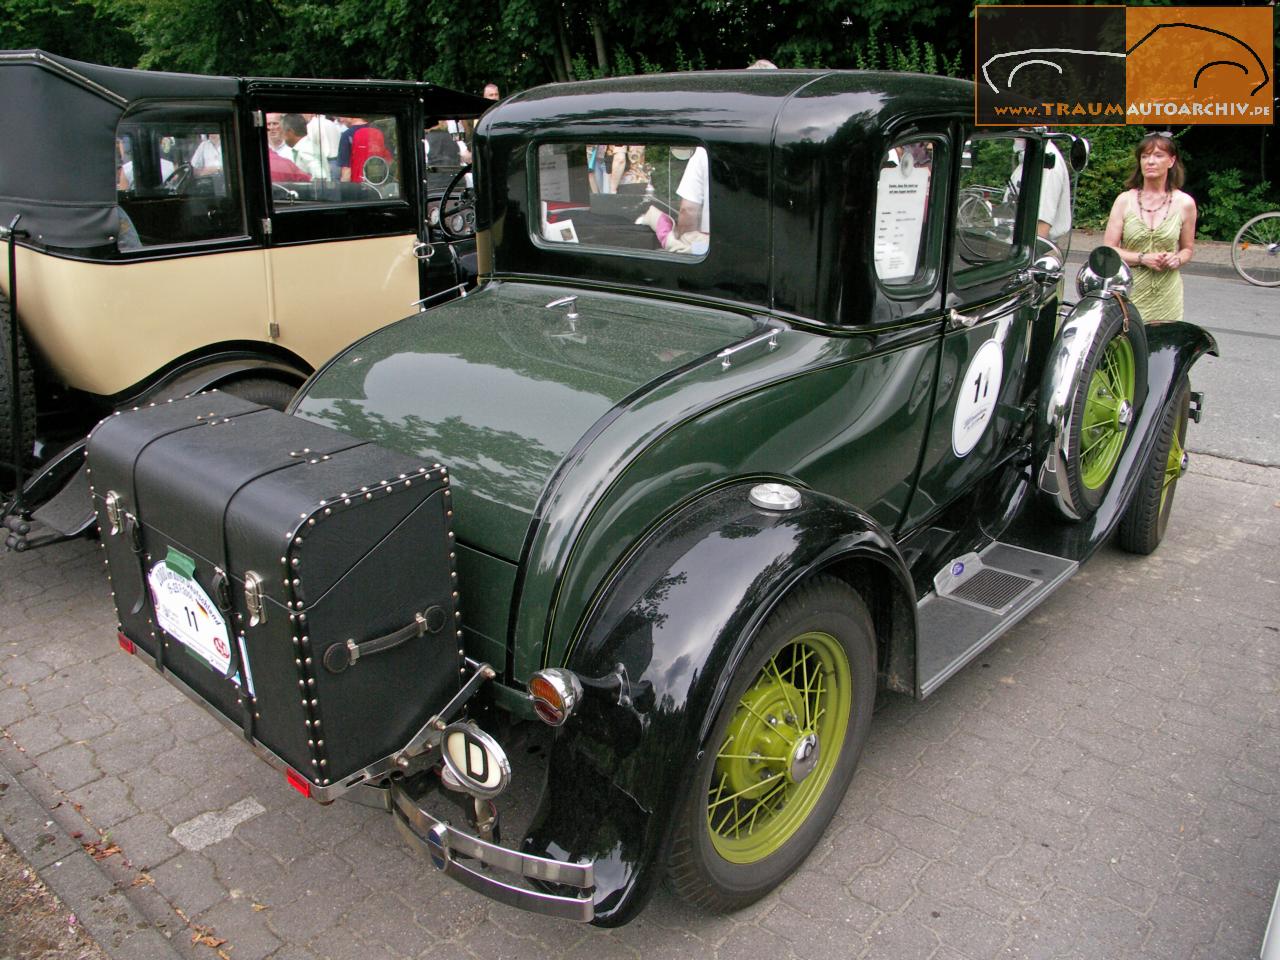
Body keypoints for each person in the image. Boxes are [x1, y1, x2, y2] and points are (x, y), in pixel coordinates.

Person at [1103, 131, 1197, 323]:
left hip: (1167, 295)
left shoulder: (1185, 203)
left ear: (1171, 161)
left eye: (1158, 155)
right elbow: (1108, 250)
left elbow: (1187, 249)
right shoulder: (1124, 200)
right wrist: (1143, 258)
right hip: (1129, 291)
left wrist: (1177, 259)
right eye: (1145, 156)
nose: (1150, 162)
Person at [1012, 139, 1071, 244]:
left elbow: (1041, 227)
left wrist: (1026, 257)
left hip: (1031, 251)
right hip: (1015, 245)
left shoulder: (1046, 161)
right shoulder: (1031, 155)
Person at [281, 114, 323, 179]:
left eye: (282, 131)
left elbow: (321, 176)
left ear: (290, 132)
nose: (282, 135)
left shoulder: (306, 150)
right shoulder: (305, 147)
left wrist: (305, 188)